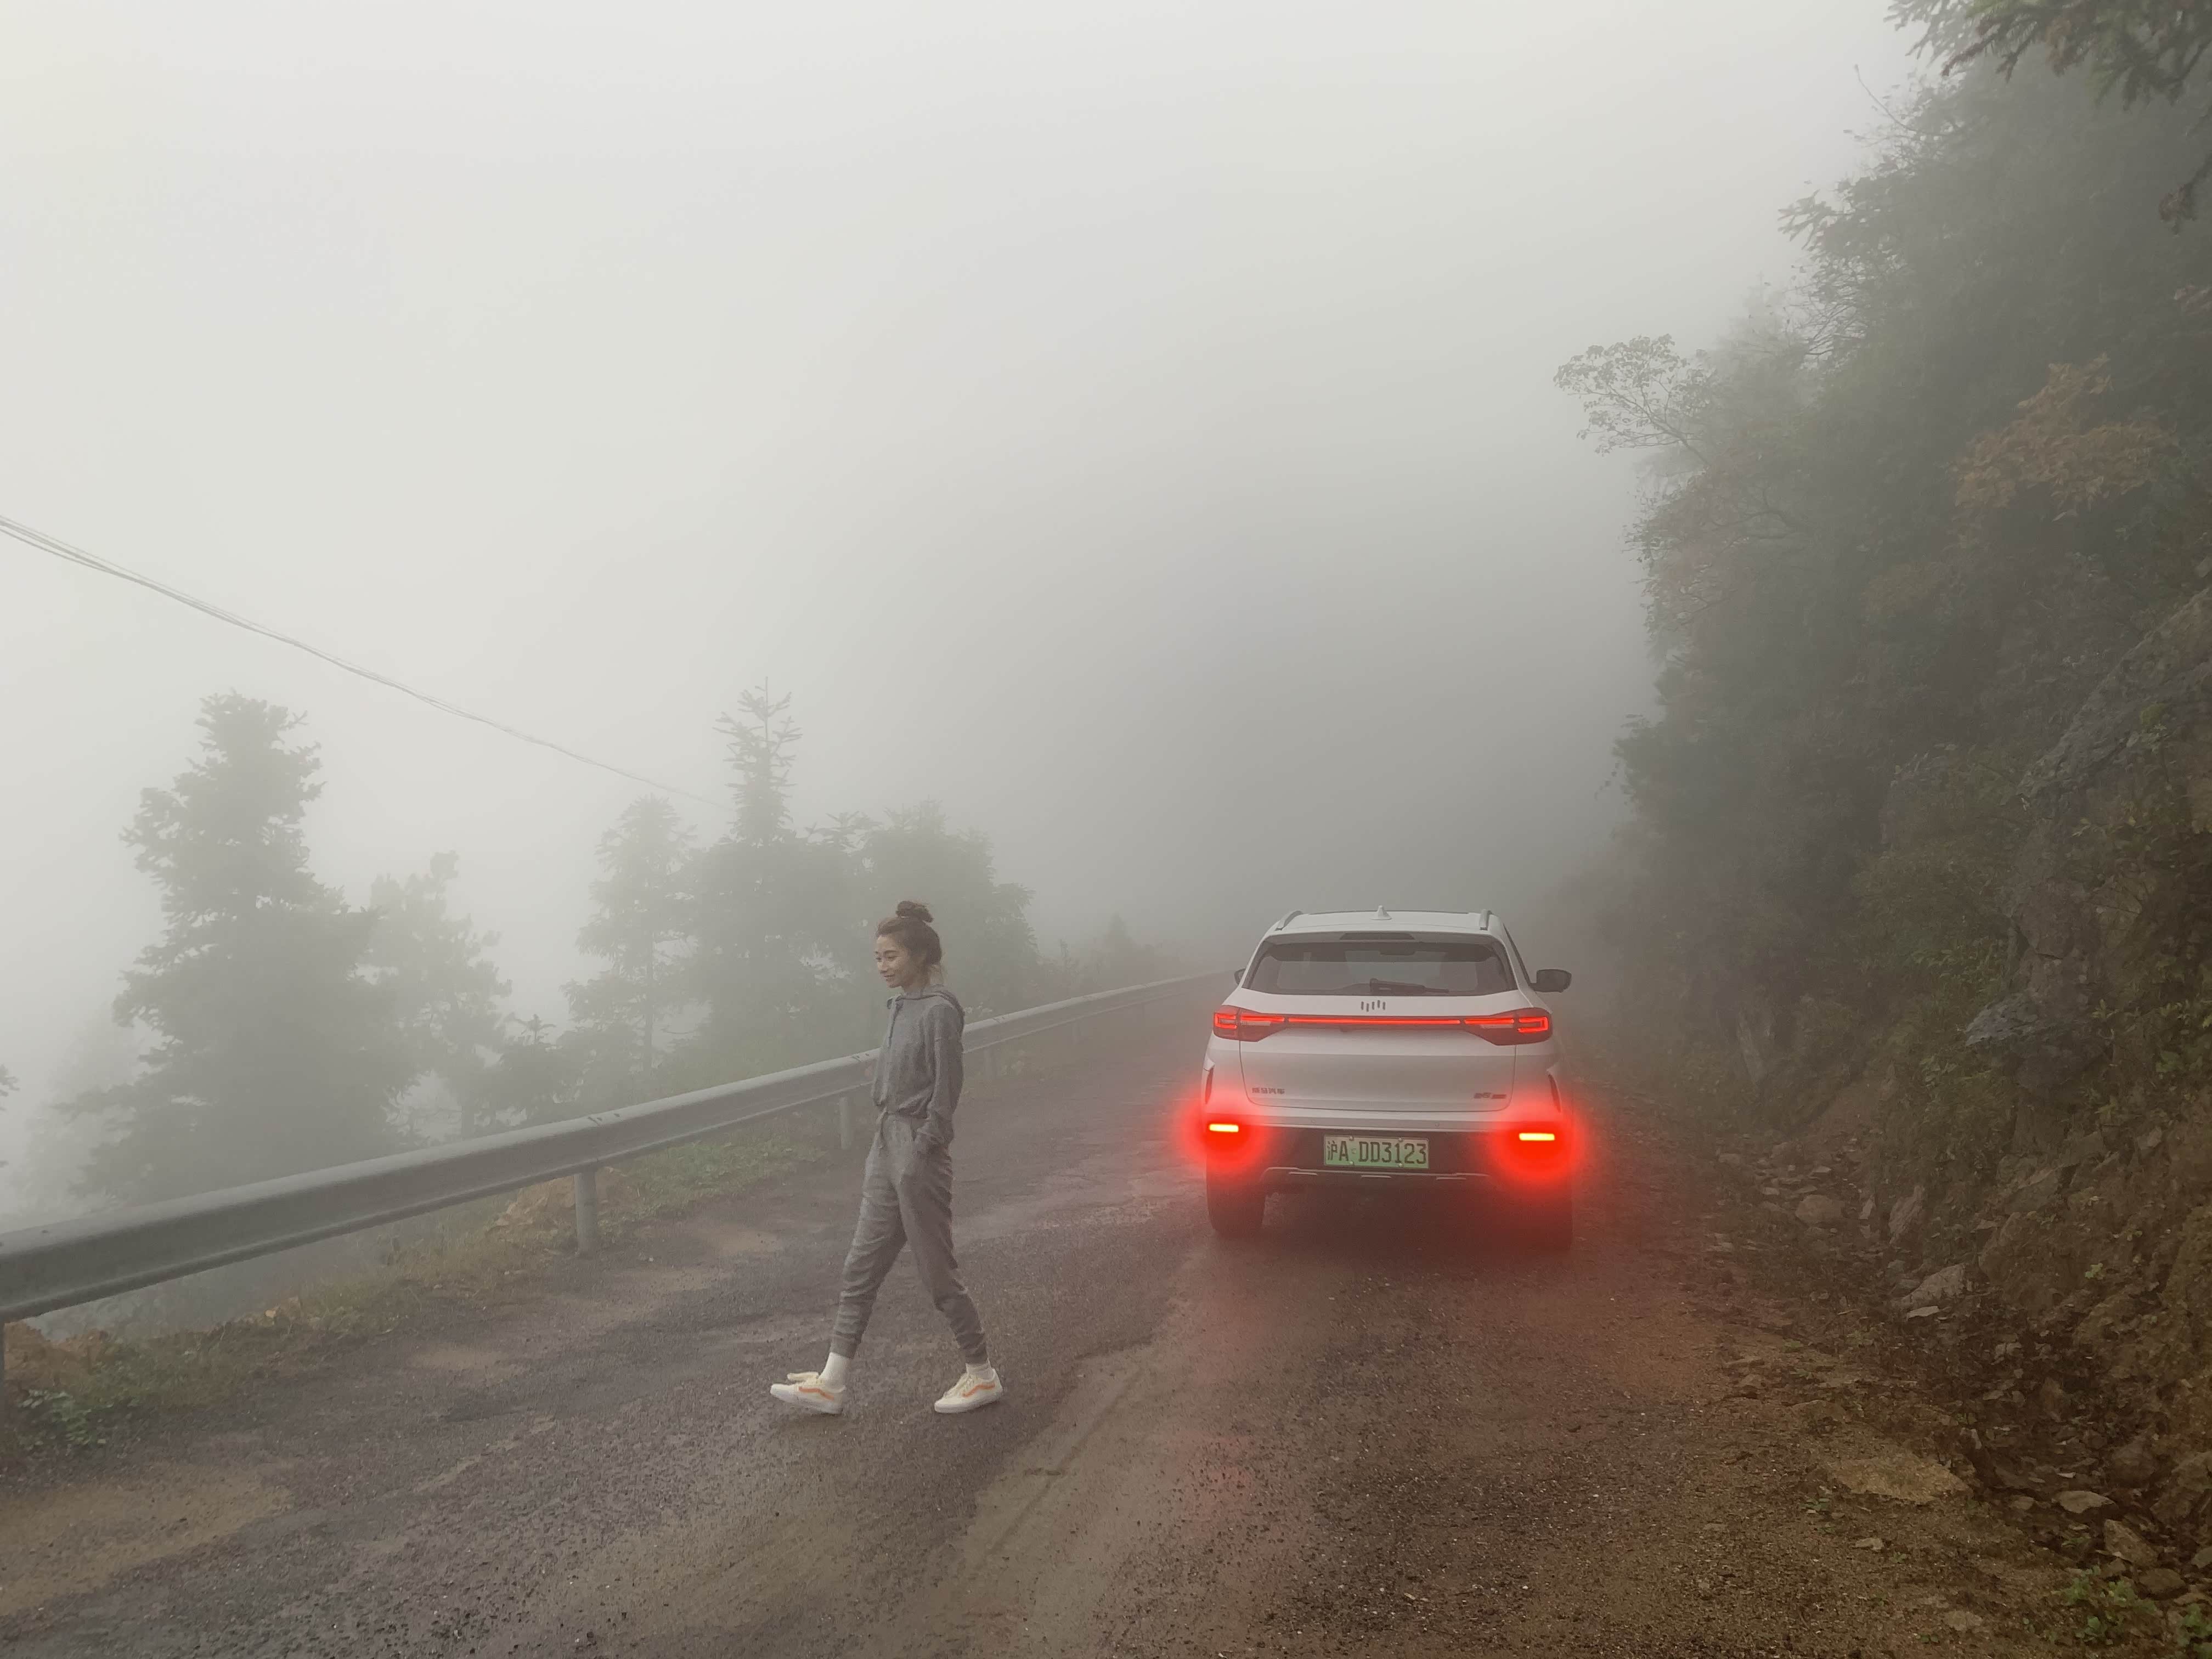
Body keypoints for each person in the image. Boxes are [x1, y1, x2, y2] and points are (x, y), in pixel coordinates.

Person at [771, 900, 1003, 1417]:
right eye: (877, 957)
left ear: (920, 955)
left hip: (918, 1149)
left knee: (937, 1274)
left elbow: (946, 1095)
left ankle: (981, 1373)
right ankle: (832, 1381)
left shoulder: (940, 1011)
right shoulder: (900, 1006)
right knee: (861, 1265)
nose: (882, 966)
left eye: (891, 956)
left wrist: (921, 1152)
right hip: (886, 1142)